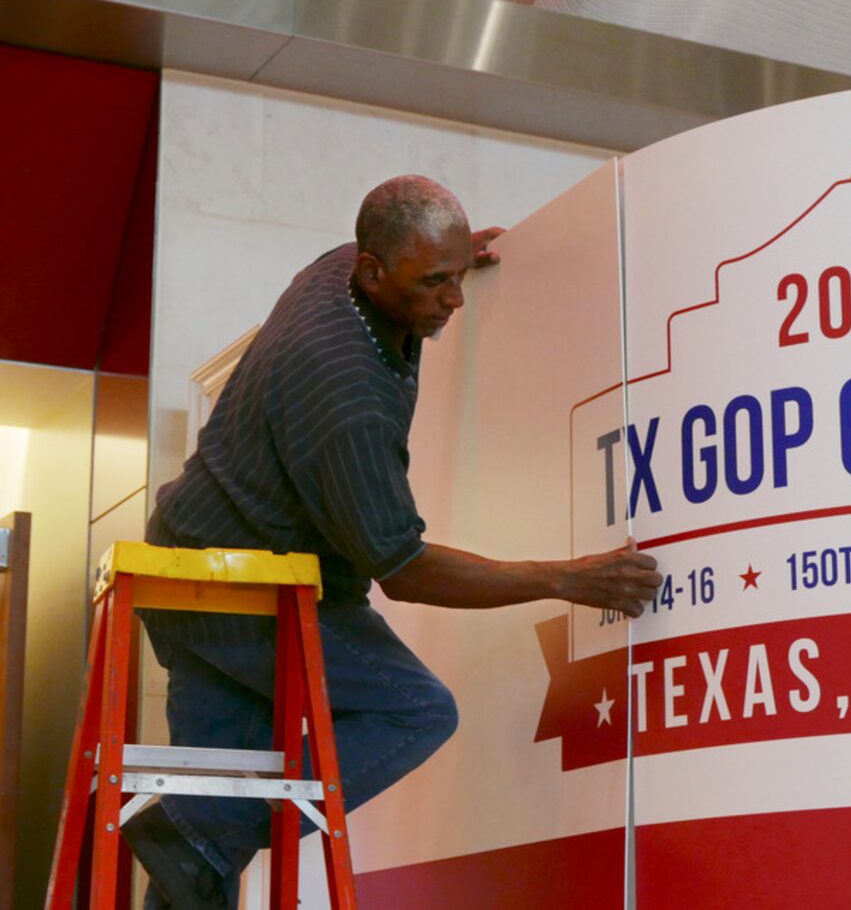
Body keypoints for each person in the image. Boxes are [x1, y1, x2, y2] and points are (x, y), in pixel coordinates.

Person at [124, 175, 660, 909]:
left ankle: (196, 833)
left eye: (458, 274)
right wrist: (567, 580)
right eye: (434, 281)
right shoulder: (343, 392)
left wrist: (450, 254)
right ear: (374, 272)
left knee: (198, 862)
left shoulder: (340, 267)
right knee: (413, 711)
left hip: (192, 563)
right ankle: (197, 830)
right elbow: (403, 570)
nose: (454, 299)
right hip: (238, 587)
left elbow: (402, 247)